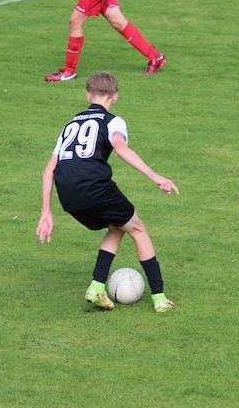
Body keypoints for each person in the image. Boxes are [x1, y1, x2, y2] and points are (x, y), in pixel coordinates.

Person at [37, 71, 178, 312]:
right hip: (95, 186)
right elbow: (121, 149)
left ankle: (97, 287)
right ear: (115, 96)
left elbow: (49, 169)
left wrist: (46, 212)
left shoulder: (70, 124)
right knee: (137, 228)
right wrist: (156, 177)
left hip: (67, 194)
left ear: (88, 95)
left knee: (117, 226)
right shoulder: (113, 121)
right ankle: (159, 298)